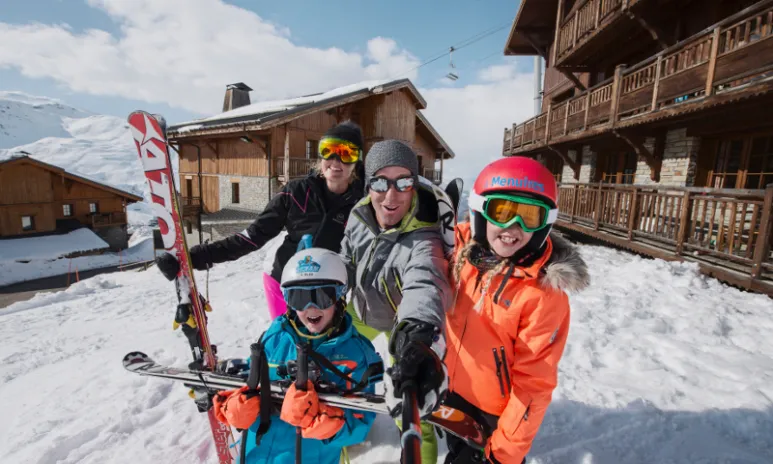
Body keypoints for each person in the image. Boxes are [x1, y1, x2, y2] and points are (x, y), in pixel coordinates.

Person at [442, 157, 590, 464]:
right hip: (452, 392)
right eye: (503, 211)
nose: (513, 227)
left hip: (494, 414)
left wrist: (504, 453)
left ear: (545, 222)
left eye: (528, 216)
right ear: (481, 210)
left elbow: (534, 384)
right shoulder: (459, 248)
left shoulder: (542, 294)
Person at [156, 121, 366, 320]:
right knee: (288, 345)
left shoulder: (364, 202)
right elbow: (252, 237)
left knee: (327, 349)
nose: (336, 161)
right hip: (285, 280)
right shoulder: (296, 193)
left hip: (330, 287)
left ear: (357, 161)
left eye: (347, 153)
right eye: (328, 150)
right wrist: (196, 258)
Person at [211, 247, 383, 464]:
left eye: (321, 296)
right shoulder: (275, 337)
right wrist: (233, 404)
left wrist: (320, 419)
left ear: (340, 297)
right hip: (254, 456)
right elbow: (247, 376)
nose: (310, 308)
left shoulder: (355, 353)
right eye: (299, 297)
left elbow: (361, 422)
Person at [339, 139, 452, 463]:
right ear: (368, 184)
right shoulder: (359, 215)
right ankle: (342, 448)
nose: (391, 195)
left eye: (403, 182)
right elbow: (346, 258)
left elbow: (424, 284)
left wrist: (417, 336)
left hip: (400, 323)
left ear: (414, 186)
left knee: (411, 398)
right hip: (358, 311)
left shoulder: (425, 236)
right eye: (380, 182)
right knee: (335, 378)